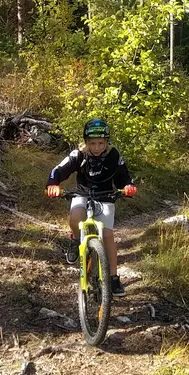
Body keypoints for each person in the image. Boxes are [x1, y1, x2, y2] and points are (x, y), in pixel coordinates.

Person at [45, 117, 136, 296]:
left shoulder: (114, 155)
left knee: (108, 234)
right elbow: (59, 170)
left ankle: (114, 278)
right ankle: (76, 239)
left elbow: (124, 176)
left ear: (107, 142)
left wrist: (127, 186)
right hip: (81, 194)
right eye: (92, 143)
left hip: (105, 196)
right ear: (86, 142)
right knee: (75, 215)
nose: (96, 147)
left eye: (101, 143)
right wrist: (53, 184)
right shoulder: (78, 154)